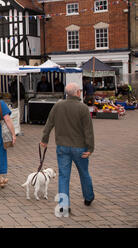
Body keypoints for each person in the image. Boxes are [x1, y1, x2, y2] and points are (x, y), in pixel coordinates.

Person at [40, 82, 95, 214]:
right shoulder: (83, 108)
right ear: (77, 93)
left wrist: (44, 139)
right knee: (84, 173)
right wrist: (90, 148)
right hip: (80, 147)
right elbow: (88, 131)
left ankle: (64, 205)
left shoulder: (58, 105)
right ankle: (88, 198)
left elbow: (49, 123)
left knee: (63, 176)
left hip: (62, 147)